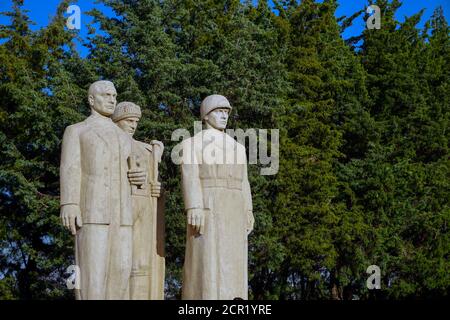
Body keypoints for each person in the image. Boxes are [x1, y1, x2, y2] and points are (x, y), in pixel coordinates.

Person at [60, 81, 146, 299]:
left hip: (123, 215)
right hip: (92, 213)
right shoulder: (77, 131)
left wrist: (139, 177)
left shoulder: (124, 137)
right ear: (91, 100)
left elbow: (135, 172)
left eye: (114, 96)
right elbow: (70, 167)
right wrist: (69, 203)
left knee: (121, 271)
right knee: (92, 275)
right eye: (106, 95)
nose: (111, 100)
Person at [180, 94, 254, 300]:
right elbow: (190, 175)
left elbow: (244, 181)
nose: (224, 116)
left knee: (234, 262)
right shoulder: (192, 143)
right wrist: (193, 205)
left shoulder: (238, 148)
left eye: (226, 112)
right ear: (206, 115)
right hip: (208, 204)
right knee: (208, 261)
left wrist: (248, 209)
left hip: (235, 207)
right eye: (218, 111)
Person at [112, 101, 165, 300]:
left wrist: (159, 190)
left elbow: (154, 182)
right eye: (128, 121)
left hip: (145, 208)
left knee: (143, 264)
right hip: (121, 207)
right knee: (122, 262)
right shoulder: (111, 145)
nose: (133, 125)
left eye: (136, 121)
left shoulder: (146, 150)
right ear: (117, 121)